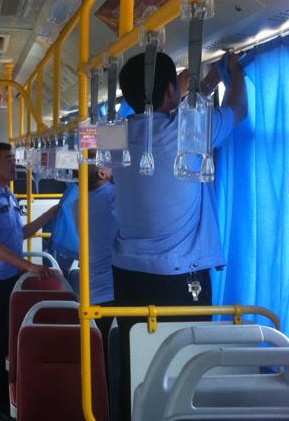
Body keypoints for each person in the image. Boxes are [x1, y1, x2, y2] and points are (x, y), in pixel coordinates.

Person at [112, 52, 246, 420]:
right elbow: (238, 110)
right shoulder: (189, 129)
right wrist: (235, 73)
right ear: (170, 91)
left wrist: (188, 89)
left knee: (136, 362)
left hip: (127, 275)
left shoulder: (112, 134)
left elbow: (163, 109)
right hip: (179, 277)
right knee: (182, 369)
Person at [0, 142, 60, 420]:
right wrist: (28, 266)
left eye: (14, 158)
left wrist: (49, 215)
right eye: (8, 160)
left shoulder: (8, 194)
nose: (14, 164)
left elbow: (18, 234)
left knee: (7, 340)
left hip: (11, 277)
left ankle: (3, 397)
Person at [71, 159, 116, 362]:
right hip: (113, 290)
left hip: (91, 291)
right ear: (102, 173)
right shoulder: (114, 197)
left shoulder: (77, 205)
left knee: (100, 359)